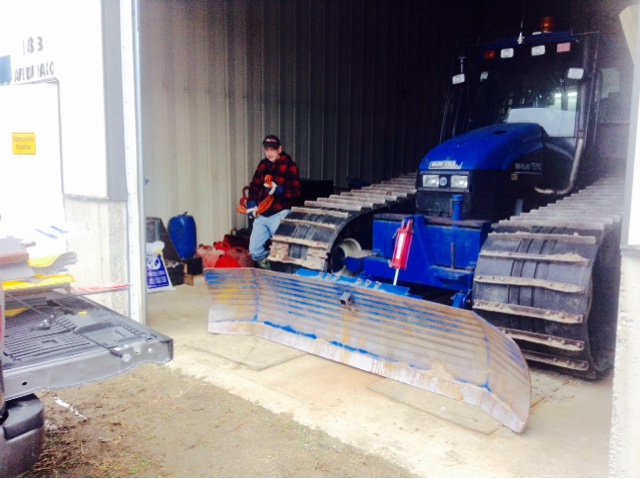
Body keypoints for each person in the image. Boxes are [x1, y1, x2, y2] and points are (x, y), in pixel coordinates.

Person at [247, 135, 300, 269]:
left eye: (273, 149)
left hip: (279, 214)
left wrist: (279, 190)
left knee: (281, 252)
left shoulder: (290, 166)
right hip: (262, 214)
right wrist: (251, 203)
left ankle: (281, 272)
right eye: (267, 149)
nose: (269, 153)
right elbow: (254, 187)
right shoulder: (263, 165)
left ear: (279, 149)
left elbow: (296, 192)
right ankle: (268, 267)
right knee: (255, 251)